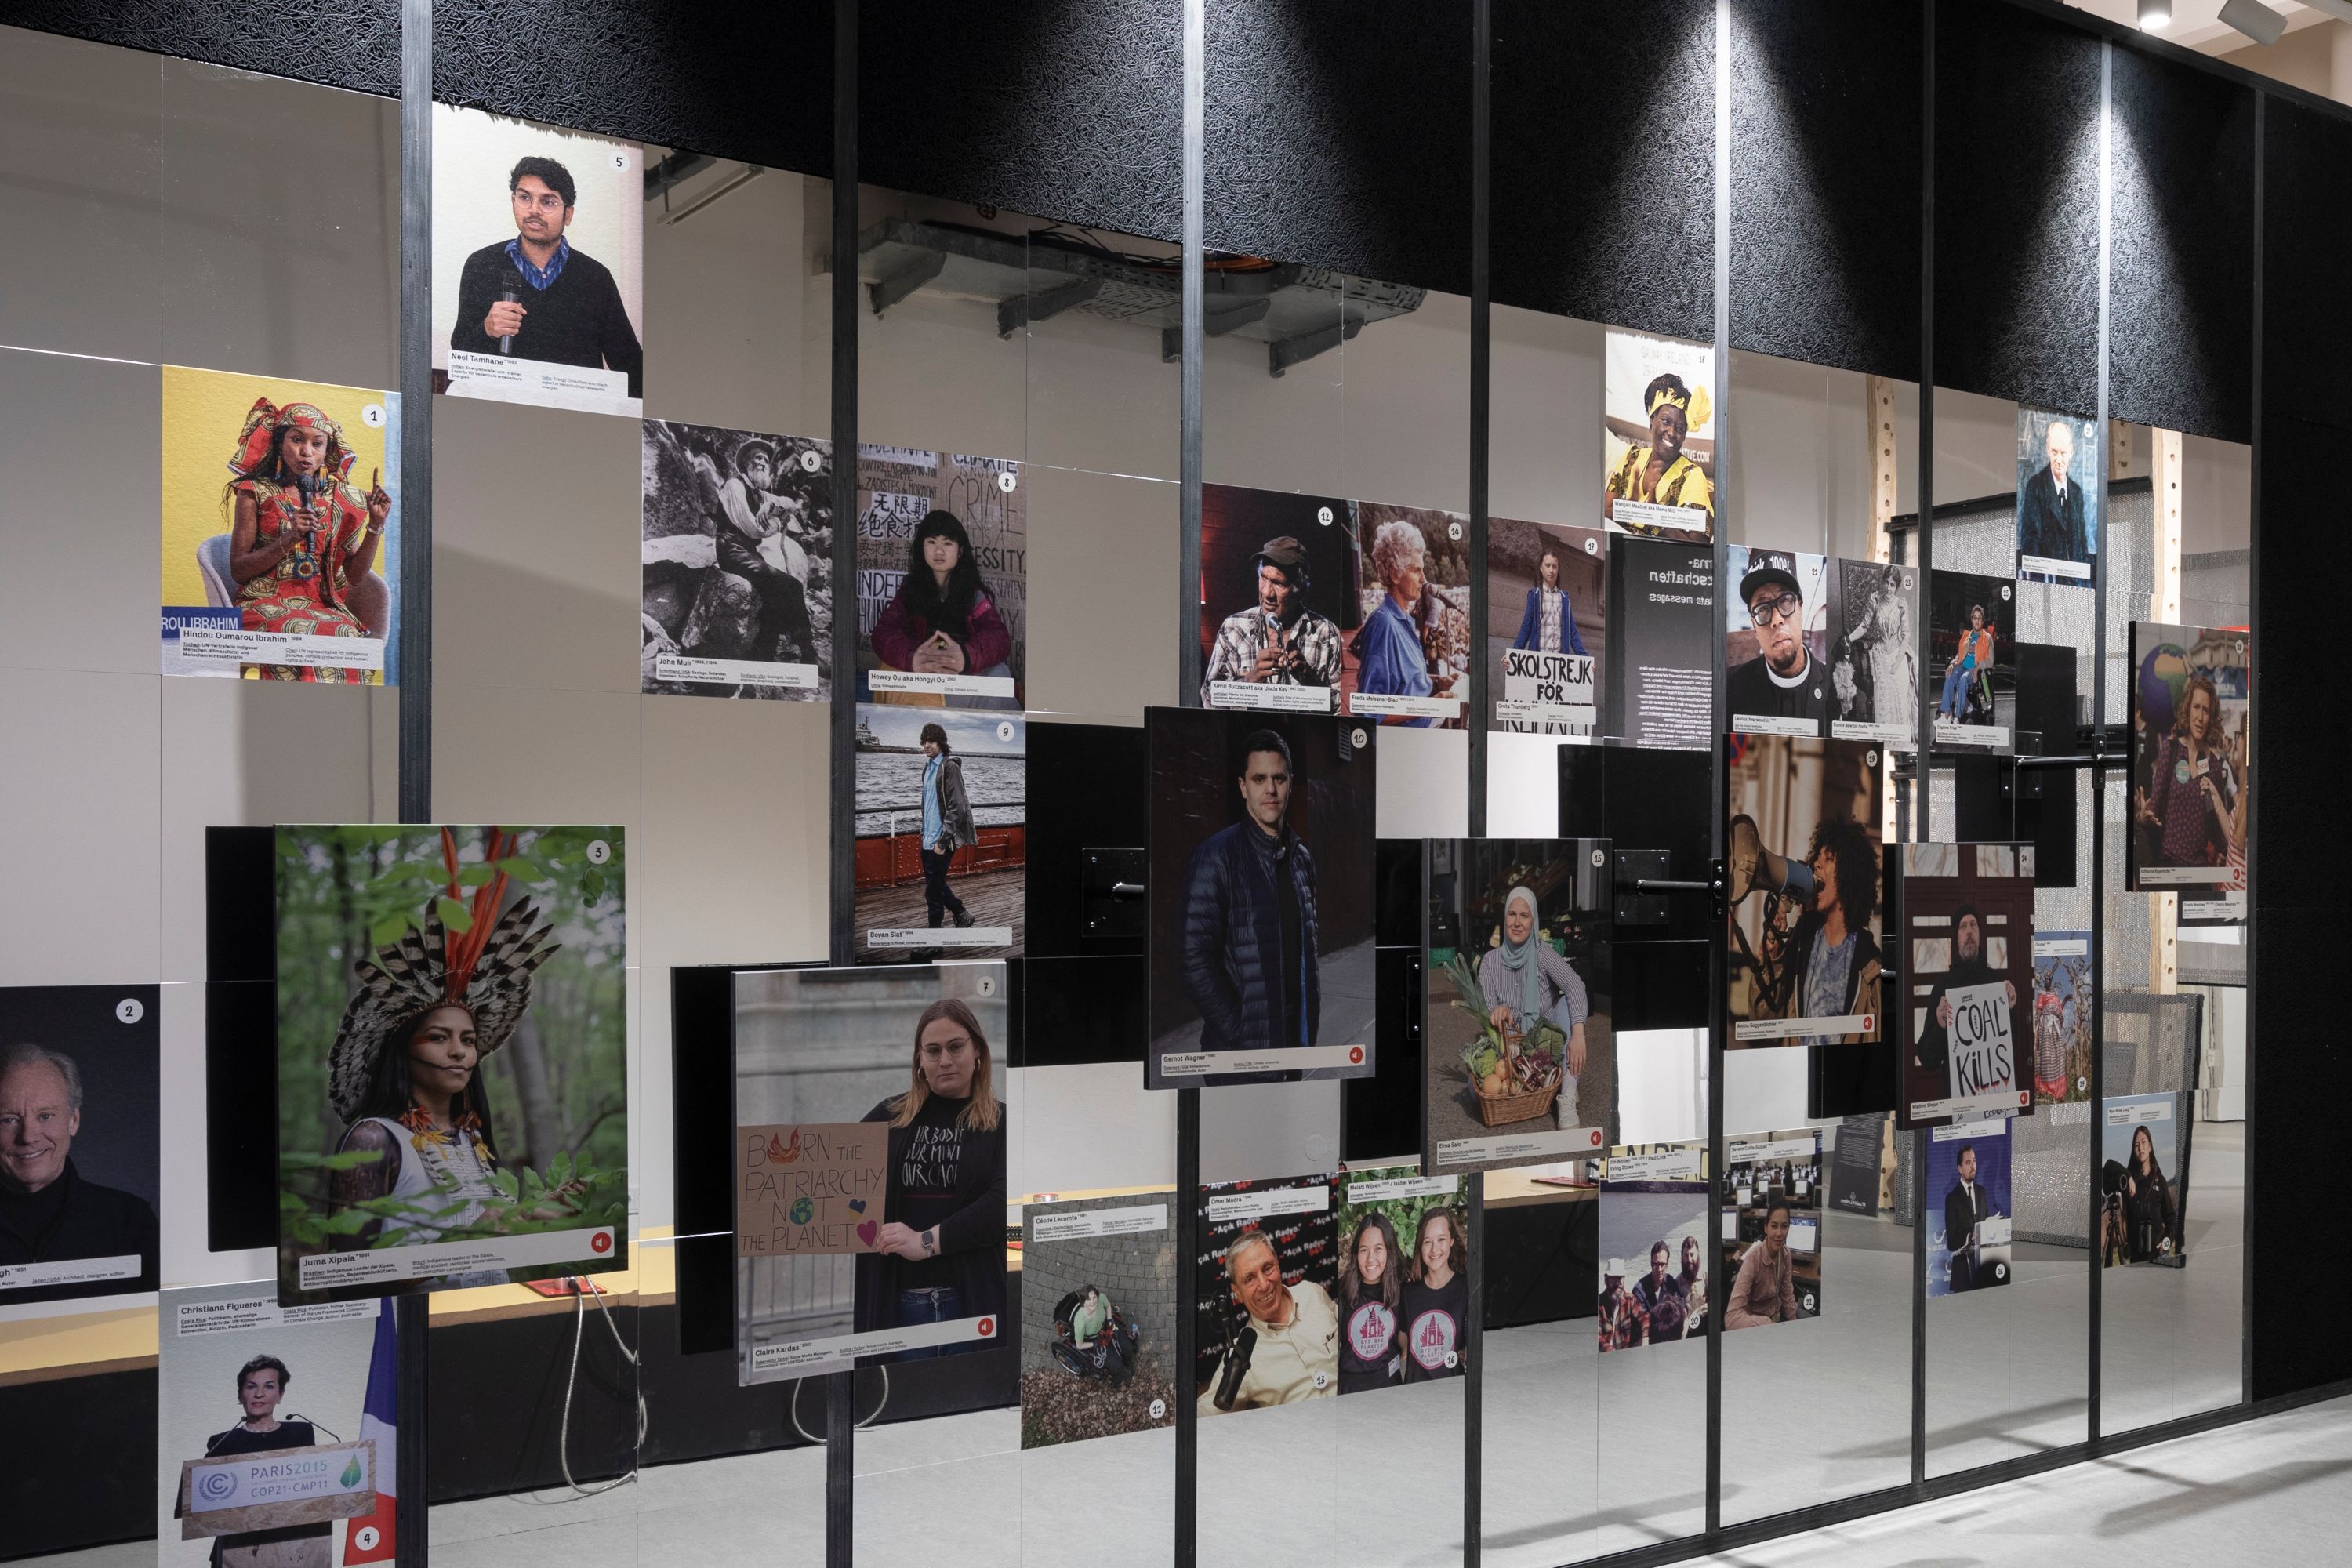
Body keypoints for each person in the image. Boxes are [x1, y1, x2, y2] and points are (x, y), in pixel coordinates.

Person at [326, 829, 561, 1282]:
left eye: (468, 1040)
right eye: (438, 1037)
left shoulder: (471, 1140)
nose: (458, 1051)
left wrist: (537, 1216)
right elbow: (345, 1277)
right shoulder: (374, 1141)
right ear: (404, 1051)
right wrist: (465, 1242)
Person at [854, 997, 1008, 1355]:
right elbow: (835, 1177)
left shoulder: (1002, 1124)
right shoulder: (888, 1117)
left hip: (973, 1303)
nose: (946, 1060)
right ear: (920, 1060)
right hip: (899, 1307)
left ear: (978, 1052)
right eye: (933, 1050)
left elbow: (1000, 1208)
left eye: (956, 1047)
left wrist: (924, 1242)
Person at [221, 397, 390, 683]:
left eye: (317, 444)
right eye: (296, 440)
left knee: (347, 638)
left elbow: (355, 576)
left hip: (321, 606)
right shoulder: (254, 491)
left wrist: (375, 526)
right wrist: (288, 540)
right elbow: (239, 569)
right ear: (279, 443)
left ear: (327, 450)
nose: (306, 452)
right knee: (297, 634)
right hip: (263, 602)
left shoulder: (342, 500)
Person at [450, 155, 644, 397]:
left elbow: (630, 364)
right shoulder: (481, 265)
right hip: (500, 414)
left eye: (548, 202)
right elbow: (459, 359)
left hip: (574, 419)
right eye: (524, 198)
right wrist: (486, 329)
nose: (534, 210)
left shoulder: (596, 278)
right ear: (513, 202)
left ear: (569, 214)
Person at [1178, 730, 1320, 1055]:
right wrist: (1238, 1030)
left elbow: (1307, 948)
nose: (1270, 789)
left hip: (1294, 1042)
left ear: (1290, 783)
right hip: (1238, 1052)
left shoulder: (1302, 860)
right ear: (1243, 787)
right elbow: (1194, 960)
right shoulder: (1215, 857)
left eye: (1279, 778)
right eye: (1259, 779)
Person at [0, 1044, 158, 1291]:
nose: (28, 1136)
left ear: (73, 1121)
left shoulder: (130, 1222)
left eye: (45, 1116)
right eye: (9, 1120)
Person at [194, 1355, 329, 1566]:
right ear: (240, 1395)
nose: (259, 1394)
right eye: (251, 1387)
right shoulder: (223, 1441)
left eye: (269, 1386)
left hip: (293, 1546)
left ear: (280, 1394)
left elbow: (313, 1487)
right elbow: (203, 1499)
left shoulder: (300, 1433)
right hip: (238, 1548)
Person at [1761, 815, 1882, 1048]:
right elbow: (1765, 1019)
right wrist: (1773, 958)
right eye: (1817, 857)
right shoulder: (1800, 944)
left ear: (1849, 874)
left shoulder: (1870, 969)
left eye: (1828, 859)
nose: (1816, 864)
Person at [869, 510, 1015, 696]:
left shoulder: (973, 593)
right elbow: (883, 633)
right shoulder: (910, 589)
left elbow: (999, 638)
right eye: (931, 542)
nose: (939, 551)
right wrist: (912, 658)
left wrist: (966, 656)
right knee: (886, 671)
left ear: (960, 550)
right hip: (923, 675)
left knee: (1000, 674)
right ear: (922, 548)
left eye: (947, 543)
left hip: (962, 677)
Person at [1197, 1229, 1339, 1411]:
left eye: (1267, 1268)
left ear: (1277, 1265)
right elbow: (1204, 1417)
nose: (1264, 1285)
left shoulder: (1312, 1293)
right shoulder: (1241, 1355)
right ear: (1237, 1292)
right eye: (1250, 1279)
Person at [706, 436, 816, 667]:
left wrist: (771, 506)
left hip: (747, 553)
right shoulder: (734, 486)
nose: (763, 463)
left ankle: (763, 654)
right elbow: (754, 529)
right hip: (731, 550)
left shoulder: (760, 493)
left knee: (774, 596)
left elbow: (791, 504)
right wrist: (776, 522)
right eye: (758, 458)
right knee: (791, 586)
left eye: (766, 459)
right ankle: (808, 654)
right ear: (747, 463)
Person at [1476, 884, 1590, 1107]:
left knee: (1568, 1003)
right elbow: (1487, 1007)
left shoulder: (1542, 953)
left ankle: (1567, 1094)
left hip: (1546, 1038)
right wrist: (1496, 1011)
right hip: (1511, 1045)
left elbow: (1575, 984)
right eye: (1512, 914)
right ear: (1505, 917)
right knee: (1474, 1091)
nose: (1517, 923)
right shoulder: (1489, 962)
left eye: (1525, 916)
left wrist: (1578, 1035)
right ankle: (1542, 1081)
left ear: (1533, 921)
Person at [1200, 535, 1342, 702]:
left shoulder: (1327, 634)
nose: (1267, 593)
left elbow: (1339, 710)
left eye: (1278, 583)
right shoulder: (1233, 627)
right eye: (1263, 578)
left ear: (1299, 590)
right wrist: (1249, 681)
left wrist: (1311, 682)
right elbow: (1208, 697)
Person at [1350, 520, 1458, 727]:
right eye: (1416, 570)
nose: (1424, 579)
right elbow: (1368, 711)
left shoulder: (1403, 620)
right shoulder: (1383, 626)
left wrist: (1435, 683)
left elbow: (1406, 683)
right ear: (1395, 574)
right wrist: (1430, 706)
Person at [2135, 673, 2241, 870]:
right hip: (2167, 869)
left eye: (2206, 711)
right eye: (2196, 708)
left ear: (2211, 718)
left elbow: (2218, 833)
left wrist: (2228, 847)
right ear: (2188, 709)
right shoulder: (2171, 751)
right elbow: (2153, 812)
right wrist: (2142, 818)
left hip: (2198, 875)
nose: (2200, 717)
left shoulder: (2216, 766)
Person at [1911, 906, 2018, 1085]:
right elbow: (1928, 1060)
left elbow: (2012, 1048)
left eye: (1974, 925)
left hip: (1992, 1094)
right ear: (1957, 938)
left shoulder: (1996, 984)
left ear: (1980, 934)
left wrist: (2011, 1009)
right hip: (1958, 1100)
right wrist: (1940, 1026)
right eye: (1963, 927)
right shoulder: (1942, 988)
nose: (1969, 931)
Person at [1603, 372, 1715, 534]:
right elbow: (1603, 514)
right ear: (1652, 420)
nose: (1671, 433)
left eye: (1679, 429)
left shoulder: (1691, 476)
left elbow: (1697, 541)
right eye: (1666, 421)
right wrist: (1632, 509)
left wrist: (1655, 516)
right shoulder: (1631, 458)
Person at [1727, 550, 1828, 727]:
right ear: (1754, 627)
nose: (1776, 620)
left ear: (1800, 609)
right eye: (1763, 609)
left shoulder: (1837, 688)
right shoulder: (1728, 688)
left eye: (1785, 601)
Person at [916, 722, 978, 935]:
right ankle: (961, 914)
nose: (927, 745)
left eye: (931, 741)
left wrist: (943, 841)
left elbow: (957, 807)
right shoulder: (928, 768)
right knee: (936, 884)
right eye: (924, 741)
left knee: (932, 893)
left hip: (942, 840)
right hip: (928, 838)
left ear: (941, 743)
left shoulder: (949, 767)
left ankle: (935, 941)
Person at [1335, 1211, 1403, 1393]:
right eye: (1364, 1250)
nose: (1371, 1258)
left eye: (1378, 1249)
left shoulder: (1400, 1290)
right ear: (1356, 1253)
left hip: (1389, 1385)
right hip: (1351, 1389)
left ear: (1389, 1250)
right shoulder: (1340, 1292)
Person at [1399, 1207, 1468, 1381]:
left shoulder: (1466, 1287)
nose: (1434, 1249)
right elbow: (1403, 1346)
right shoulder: (1408, 1293)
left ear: (1452, 1240)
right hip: (1416, 1392)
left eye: (1441, 1239)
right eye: (1427, 1242)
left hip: (1452, 1390)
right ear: (1420, 1246)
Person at [2017, 419, 2089, 569]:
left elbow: (2081, 544)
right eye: (2055, 452)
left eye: (2063, 453)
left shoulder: (2076, 492)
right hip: (2047, 579)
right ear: (2048, 450)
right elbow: (2030, 542)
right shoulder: (2035, 486)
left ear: (2071, 453)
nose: (2059, 460)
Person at [1726, 1201, 1798, 1329]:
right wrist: (1766, 1323)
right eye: (1774, 1226)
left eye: (1784, 1227)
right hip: (1756, 1325)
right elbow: (1731, 1319)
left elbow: (1787, 1297)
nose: (1779, 1233)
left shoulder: (1786, 1255)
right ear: (1766, 1227)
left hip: (1777, 1314)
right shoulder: (1753, 1260)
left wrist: (1795, 1326)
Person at [1511, 546, 1590, 656]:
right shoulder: (1534, 596)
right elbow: (1526, 628)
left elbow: (1573, 632)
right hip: (1538, 660)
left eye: (1555, 567)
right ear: (1541, 568)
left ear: (1558, 570)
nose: (1551, 570)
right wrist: (1513, 655)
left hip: (1560, 662)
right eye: (1547, 566)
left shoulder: (1564, 598)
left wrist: (1586, 659)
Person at [2118, 1123, 2180, 1262]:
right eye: (2136, 1145)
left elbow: (2171, 1218)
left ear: (2150, 1147)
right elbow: (2108, 1170)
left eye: (2144, 1142)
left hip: (2159, 1254)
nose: (2140, 1148)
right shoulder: (2130, 1181)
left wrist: (2167, 1241)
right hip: (2137, 1255)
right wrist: (2127, 1176)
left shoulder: (2159, 1180)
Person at [1937, 604, 1995, 723]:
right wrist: (1953, 664)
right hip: (1962, 666)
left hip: (1975, 670)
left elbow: (1990, 660)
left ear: (1983, 621)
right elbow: (1959, 655)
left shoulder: (1987, 638)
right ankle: (1946, 715)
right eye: (1975, 618)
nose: (1977, 621)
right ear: (1972, 620)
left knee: (1963, 679)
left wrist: (1979, 666)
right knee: (1949, 675)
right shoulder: (1966, 637)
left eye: (1979, 618)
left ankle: (1958, 717)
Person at [1943, 1142, 1987, 1292]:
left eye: (1974, 1161)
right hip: (1962, 1273)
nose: (1973, 1166)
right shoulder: (1952, 1198)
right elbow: (1952, 1242)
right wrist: (1969, 1236)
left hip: (1983, 1270)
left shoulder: (1982, 1192)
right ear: (1960, 1169)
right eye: (1968, 1162)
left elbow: (1986, 1223)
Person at [1633, 1240, 1690, 1341]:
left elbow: (1682, 1306)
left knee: (1686, 1322)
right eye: (1656, 1264)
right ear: (1651, 1263)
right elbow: (1643, 1322)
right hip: (1649, 1337)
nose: (1659, 1269)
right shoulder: (1639, 1290)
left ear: (1667, 1264)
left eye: (1662, 1265)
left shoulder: (1670, 1282)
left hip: (1669, 1335)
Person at [1596, 1258, 1648, 1350]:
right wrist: (1611, 1351)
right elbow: (1596, 1336)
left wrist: (1645, 1338)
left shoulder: (1630, 1300)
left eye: (1621, 1278)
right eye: (1615, 1278)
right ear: (1607, 1281)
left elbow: (1644, 1317)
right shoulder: (1599, 1304)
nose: (1619, 1282)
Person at [1677, 1234, 1709, 1334]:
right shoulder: (1677, 1282)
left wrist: (1699, 1312)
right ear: (1682, 1257)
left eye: (1692, 1255)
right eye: (1686, 1255)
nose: (1689, 1260)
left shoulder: (1706, 1276)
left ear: (1698, 1254)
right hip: (1687, 1334)